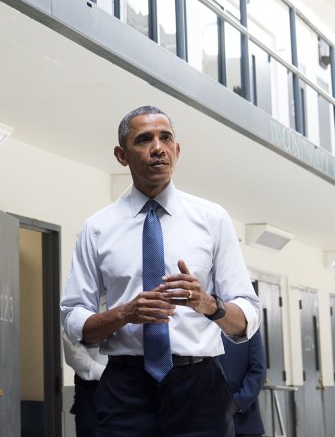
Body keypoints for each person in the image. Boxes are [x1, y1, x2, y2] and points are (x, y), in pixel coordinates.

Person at [60, 105, 260, 436]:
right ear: (121, 156)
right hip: (125, 388)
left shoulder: (213, 220)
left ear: (177, 150)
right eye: (144, 139)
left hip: (200, 388)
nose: (157, 147)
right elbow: (74, 320)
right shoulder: (97, 228)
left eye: (165, 137)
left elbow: (248, 315)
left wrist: (208, 304)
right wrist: (125, 313)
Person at [219, 330, 266, 437]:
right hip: (204, 421)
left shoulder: (247, 325)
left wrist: (237, 403)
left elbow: (258, 370)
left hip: (243, 423)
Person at [62, 330, 108, 437]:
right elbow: (75, 356)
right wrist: (108, 374)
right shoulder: (79, 316)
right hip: (93, 387)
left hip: (137, 383)